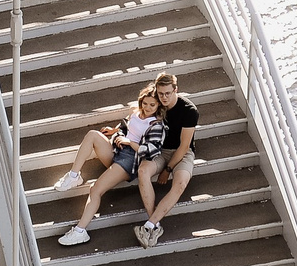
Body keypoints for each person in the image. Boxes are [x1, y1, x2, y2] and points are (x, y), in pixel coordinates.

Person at [55, 87, 161, 246]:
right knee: (92, 134)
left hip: (129, 161)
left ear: (158, 106)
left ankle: (80, 231)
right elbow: (127, 124)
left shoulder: (156, 124)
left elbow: (150, 151)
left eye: (152, 105)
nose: (147, 108)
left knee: (95, 189)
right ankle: (74, 176)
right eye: (145, 103)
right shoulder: (136, 112)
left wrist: (129, 143)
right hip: (117, 150)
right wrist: (114, 130)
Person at [134, 72, 203, 248]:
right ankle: (154, 223)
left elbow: (184, 146)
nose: (163, 97)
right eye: (160, 93)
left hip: (181, 152)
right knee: (143, 171)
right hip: (159, 151)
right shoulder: (156, 103)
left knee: (180, 183)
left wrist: (168, 170)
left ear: (175, 90)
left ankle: (149, 225)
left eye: (167, 93)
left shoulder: (189, 111)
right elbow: (137, 116)